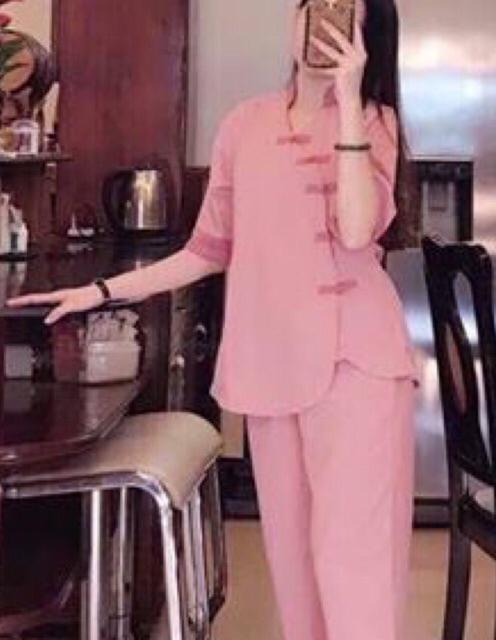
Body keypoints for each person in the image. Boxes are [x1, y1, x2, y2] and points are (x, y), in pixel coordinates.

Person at [9, 0, 419, 637]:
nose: (321, 22)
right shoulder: (244, 125)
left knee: (354, 567)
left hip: (358, 367)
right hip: (272, 368)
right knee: (293, 566)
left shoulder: (373, 122)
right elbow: (205, 252)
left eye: (344, 12)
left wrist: (348, 96)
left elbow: (359, 228)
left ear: (368, 38)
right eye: (313, 6)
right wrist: (101, 291)